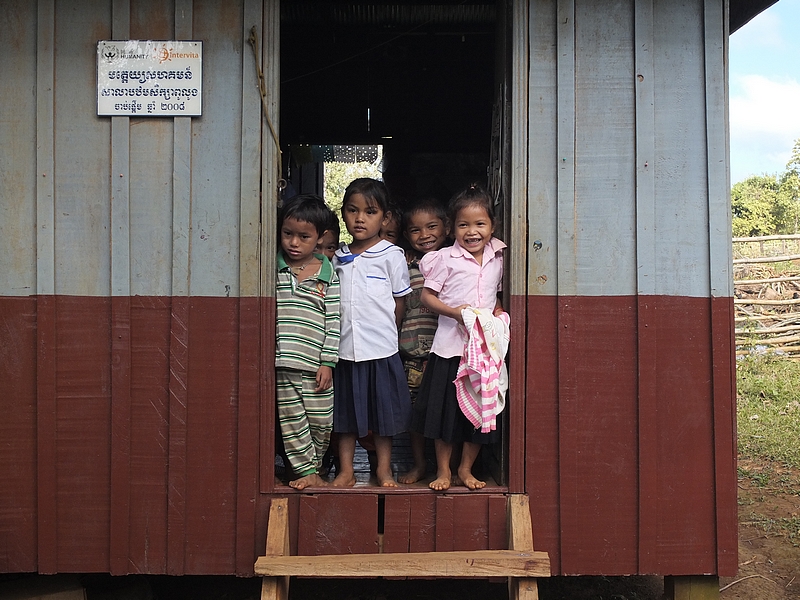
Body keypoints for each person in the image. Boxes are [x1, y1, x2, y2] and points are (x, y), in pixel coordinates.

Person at [411, 183, 507, 491]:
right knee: (445, 414)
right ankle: (443, 471)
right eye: (463, 224)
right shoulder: (445, 259)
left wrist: (499, 319)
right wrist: (455, 313)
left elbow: (496, 297)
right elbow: (427, 297)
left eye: (480, 224)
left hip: (484, 350)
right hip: (451, 348)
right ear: (453, 228)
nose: (472, 231)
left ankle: (465, 470)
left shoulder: (498, 257)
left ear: (492, 226)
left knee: (480, 411)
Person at [332, 178, 412, 487]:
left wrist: (391, 336)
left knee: (383, 415)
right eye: (353, 210)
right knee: (345, 415)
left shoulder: (392, 255)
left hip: (381, 349)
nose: (360, 218)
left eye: (370, 211)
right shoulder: (338, 257)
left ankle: (381, 469)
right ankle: (346, 471)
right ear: (344, 213)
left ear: (385, 217)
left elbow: (399, 302)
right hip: (344, 349)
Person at [275, 194, 341, 490]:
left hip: (316, 365)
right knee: (292, 423)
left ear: (319, 238)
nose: (294, 243)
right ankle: (306, 472)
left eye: (304, 237)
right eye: (288, 234)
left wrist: (328, 362)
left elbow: (334, 322)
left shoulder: (329, 275)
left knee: (320, 422)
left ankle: (314, 466)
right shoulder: (272, 269)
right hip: (284, 362)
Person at [397, 197, 451, 484]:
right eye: (416, 230)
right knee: (415, 412)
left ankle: (447, 467)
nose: (425, 235)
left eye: (432, 227)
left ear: (447, 229)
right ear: (407, 235)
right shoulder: (404, 265)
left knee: (446, 410)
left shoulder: (456, 263)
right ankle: (419, 464)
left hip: (447, 352)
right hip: (412, 354)